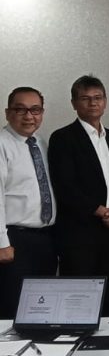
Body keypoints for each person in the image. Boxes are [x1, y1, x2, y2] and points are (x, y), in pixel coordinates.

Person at [48, 75, 109, 315]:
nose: (93, 103)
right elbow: (65, 185)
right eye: (85, 98)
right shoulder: (62, 138)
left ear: (105, 101)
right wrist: (99, 210)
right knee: (79, 297)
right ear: (74, 103)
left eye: (98, 98)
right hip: (80, 231)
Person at [0, 87, 58, 318]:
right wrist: (2, 243)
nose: (29, 116)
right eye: (20, 110)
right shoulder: (2, 144)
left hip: (44, 239)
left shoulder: (40, 143)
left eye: (35, 110)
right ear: (7, 113)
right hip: (14, 240)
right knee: (13, 309)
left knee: (41, 310)